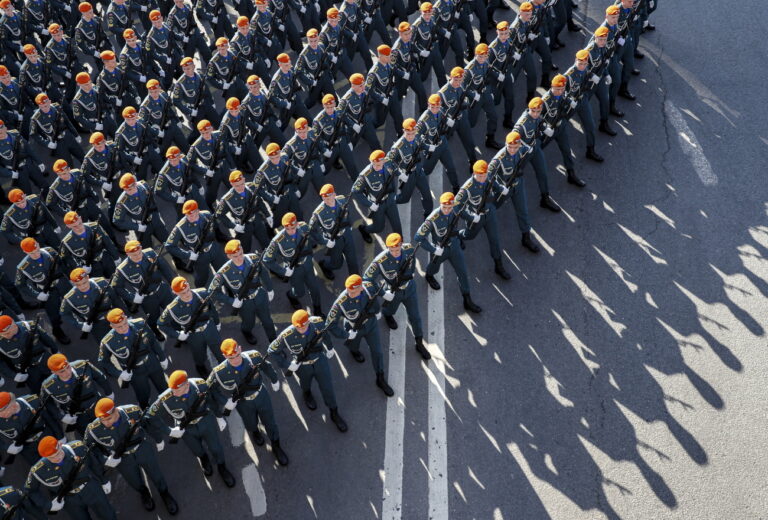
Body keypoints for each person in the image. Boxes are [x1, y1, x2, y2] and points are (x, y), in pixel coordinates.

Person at [85, 398, 179, 514]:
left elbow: (147, 423)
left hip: (141, 448)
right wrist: (105, 460)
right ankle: (144, 493)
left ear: (116, 411)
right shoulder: (92, 429)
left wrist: (158, 439)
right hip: (122, 458)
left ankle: (164, 493)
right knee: (133, 480)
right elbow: (90, 450)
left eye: (108, 418)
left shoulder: (132, 411)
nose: (106, 423)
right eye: (102, 420)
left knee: (155, 473)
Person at [146, 370, 236, 487]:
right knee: (196, 450)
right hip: (186, 429)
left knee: (216, 448)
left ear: (187, 385)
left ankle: (222, 467)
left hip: (205, 421)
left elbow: (209, 400)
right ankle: (204, 459)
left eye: (177, 390)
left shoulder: (200, 385)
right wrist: (169, 431)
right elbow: (150, 416)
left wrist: (219, 416)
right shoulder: (165, 399)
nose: (173, 393)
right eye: (172, 390)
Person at [208, 338, 288, 465]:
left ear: (240, 348)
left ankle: (276, 445)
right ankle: (255, 431)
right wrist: (225, 401)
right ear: (224, 356)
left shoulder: (253, 356)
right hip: (243, 402)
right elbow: (210, 390)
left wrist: (274, 379)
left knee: (270, 422)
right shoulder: (219, 372)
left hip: (261, 395)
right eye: (231, 358)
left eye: (237, 355)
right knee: (250, 422)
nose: (236, 359)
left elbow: (266, 366)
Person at [268, 310, 348, 432]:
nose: (303, 329)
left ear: (309, 322)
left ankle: (334, 412)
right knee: (305, 383)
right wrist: (287, 364)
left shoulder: (317, 323)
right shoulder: (286, 335)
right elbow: (272, 350)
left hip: (320, 360)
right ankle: (307, 393)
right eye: (299, 327)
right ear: (295, 325)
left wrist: (330, 346)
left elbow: (324, 334)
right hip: (302, 366)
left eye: (305, 325)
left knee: (328, 388)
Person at [363, 233, 431, 360]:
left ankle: (419, 343)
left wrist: (410, 273)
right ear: (387, 248)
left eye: (397, 249)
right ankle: (388, 315)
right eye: (392, 250)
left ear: (401, 244)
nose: (395, 252)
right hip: (393, 293)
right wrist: (383, 293)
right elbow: (366, 280)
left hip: (409, 289)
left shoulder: (409, 248)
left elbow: (412, 260)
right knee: (389, 310)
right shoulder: (380, 261)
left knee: (415, 317)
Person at [414, 192, 482, 313]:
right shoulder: (432, 219)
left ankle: (467, 299)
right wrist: (433, 249)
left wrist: (474, 218)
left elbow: (465, 214)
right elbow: (418, 238)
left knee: (462, 272)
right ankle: (429, 276)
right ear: (440, 205)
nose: (447, 210)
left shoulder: (455, 209)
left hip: (454, 246)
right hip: (440, 249)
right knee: (433, 268)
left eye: (449, 207)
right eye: (444, 207)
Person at [326, 274, 393, 396]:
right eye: (348, 291)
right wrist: (345, 334)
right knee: (353, 346)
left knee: (377, 352)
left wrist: (377, 311)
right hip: (353, 328)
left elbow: (376, 296)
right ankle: (354, 350)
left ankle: (380, 377)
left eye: (353, 292)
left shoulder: (368, 287)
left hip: (371, 324)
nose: (349, 294)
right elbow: (330, 324)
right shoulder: (340, 303)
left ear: (361, 288)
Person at [25, 436, 116, 519]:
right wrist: (48, 505)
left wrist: (104, 480)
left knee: (108, 515)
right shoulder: (38, 470)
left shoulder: (78, 448)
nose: (56, 458)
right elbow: (29, 491)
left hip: (90, 488)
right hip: (70, 500)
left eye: (57, 453)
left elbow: (94, 463)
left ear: (60, 445)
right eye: (51, 458)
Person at [97, 308, 169, 409]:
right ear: (111, 326)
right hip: (135, 372)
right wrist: (120, 374)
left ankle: (170, 404)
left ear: (126, 318)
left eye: (125, 323)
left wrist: (162, 357)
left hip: (152, 362)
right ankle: (145, 410)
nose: (123, 328)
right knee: (143, 394)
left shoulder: (140, 324)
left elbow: (152, 341)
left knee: (163, 386)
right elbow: (103, 362)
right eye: (119, 327)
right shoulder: (108, 342)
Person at [209, 239, 276, 346]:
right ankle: (246, 331)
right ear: (229, 256)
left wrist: (269, 288)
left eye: (241, 253)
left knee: (268, 321)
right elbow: (212, 292)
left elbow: (263, 273)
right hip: (244, 303)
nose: (240, 258)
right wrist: (231, 301)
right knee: (249, 323)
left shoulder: (254, 259)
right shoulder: (223, 272)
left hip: (260, 296)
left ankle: (274, 342)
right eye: (235, 256)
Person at [454, 160, 511, 280]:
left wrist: (501, 188)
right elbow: (456, 207)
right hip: (475, 217)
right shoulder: (466, 189)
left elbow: (492, 182)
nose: (482, 178)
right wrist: (471, 217)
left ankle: (498, 265)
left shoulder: (487, 176)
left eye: (484, 175)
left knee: (494, 239)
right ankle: (458, 236)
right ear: (474, 174)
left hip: (489, 213)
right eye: (479, 176)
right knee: (470, 235)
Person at [158, 277, 223, 378]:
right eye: (183, 293)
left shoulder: (202, 294)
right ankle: (200, 366)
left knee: (219, 349)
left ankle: (225, 365)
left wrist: (217, 322)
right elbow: (161, 324)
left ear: (188, 285)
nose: (187, 294)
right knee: (199, 354)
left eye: (188, 290)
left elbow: (212, 309)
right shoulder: (172, 308)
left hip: (209, 328)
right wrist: (178, 335)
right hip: (194, 335)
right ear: (175, 293)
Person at [111, 240, 176, 338]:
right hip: (147, 299)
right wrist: (132, 297)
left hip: (162, 289)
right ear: (128, 254)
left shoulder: (150, 253)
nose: (138, 256)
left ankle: (177, 329)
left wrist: (173, 283)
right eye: (134, 255)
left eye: (139, 253)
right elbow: (117, 287)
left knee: (173, 311)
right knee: (153, 319)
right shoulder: (122, 269)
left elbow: (164, 268)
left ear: (141, 248)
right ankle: (156, 332)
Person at [14, 238, 71, 344]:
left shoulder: (49, 251)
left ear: (38, 245)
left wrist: (70, 276)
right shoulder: (23, 267)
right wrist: (37, 294)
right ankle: (57, 331)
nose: (36, 254)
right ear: (25, 252)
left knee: (73, 301)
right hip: (47, 292)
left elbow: (62, 263)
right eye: (32, 253)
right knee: (54, 313)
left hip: (62, 284)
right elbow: (20, 285)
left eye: (37, 250)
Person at [264, 212, 323, 315]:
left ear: (296, 224)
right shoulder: (277, 241)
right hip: (294, 271)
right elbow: (267, 260)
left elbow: (314, 234)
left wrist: (325, 241)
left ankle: (317, 310)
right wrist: (283, 271)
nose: (291, 231)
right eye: (287, 229)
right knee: (299, 293)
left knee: (315, 289)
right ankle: (291, 295)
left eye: (293, 227)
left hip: (307, 264)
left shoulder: (303, 227)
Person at [41, 353, 114, 435]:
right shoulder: (48, 386)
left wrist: (109, 393)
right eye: (62, 371)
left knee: (111, 428)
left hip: (97, 406)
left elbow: (100, 377)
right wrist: (62, 417)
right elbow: (47, 403)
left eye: (68, 367)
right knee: (90, 435)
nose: (68, 372)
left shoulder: (83, 366)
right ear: (54, 372)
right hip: (79, 417)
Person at [309, 183, 359, 280]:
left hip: (346, 234)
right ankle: (324, 265)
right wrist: (325, 241)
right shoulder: (318, 214)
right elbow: (311, 230)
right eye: (324, 198)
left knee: (353, 261)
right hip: (334, 240)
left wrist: (349, 225)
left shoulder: (342, 200)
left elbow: (347, 213)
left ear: (334, 194)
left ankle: (356, 283)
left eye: (329, 197)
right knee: (337, 264)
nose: (326, 200)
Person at [352, 150, 402, 244]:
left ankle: (399, 244)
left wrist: (400, 174)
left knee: (397, 225)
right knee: (379, 227)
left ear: (383, 161)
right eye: (374, 164)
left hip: (390, 199)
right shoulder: (365, 175)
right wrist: (369, 204)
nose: (376, 167)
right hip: (377, 204)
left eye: (379, 164)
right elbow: (355, 190)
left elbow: (394, 167)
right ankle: (364, 229)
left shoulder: (387, 163)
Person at [0, 314, 59, 393]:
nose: (5, 336)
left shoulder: (30, 326)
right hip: (28, 371)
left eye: (7, 333)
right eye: (2, 334)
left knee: (58, 381)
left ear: (14, 325)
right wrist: (14, 375)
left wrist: (56, 352)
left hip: (45, 361)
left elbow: (47, 339)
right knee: (38, 391)